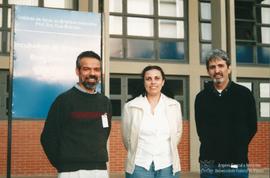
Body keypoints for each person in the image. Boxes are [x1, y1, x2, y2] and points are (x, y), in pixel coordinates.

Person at [40, 51, 112, 178]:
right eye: (86, 69)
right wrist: (62, 164)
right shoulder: (64, 100)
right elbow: (48, 137)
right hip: (70, 171)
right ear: (77, 71)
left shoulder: (105, 102)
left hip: (99, 170)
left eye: (96, 69)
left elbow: (104, 132)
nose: (92, 73)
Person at [195, 49, 257, 178]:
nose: (217, 70)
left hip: (236, 162)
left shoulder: (244, 94)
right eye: (212, 67)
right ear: (208, 71)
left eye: (221, 66)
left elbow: (252, 127)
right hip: (209, 163)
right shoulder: (201, 97)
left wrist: (237, 147)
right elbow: (200, 129)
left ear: (229, 69)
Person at [121, 65, 182, 178]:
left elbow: (177, 133)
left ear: (163, 82)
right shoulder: (131, 106)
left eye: (157, 78)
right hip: (139, 166)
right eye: (148, 79)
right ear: (144, 82)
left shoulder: (174, 105)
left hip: (168, 166)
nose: (153, 82)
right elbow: (127, 138)